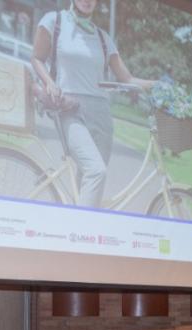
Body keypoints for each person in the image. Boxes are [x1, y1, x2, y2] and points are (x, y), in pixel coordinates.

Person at [32, 0, 154, 207]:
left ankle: (76, 225)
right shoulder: (55, 21)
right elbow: (36, 58)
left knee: (90, 181)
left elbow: (127, 79)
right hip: (69, 108)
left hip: (101, 115)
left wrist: (158, 85)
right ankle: (84, 232)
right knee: (96, 171)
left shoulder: (103, 38)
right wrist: (50, 82)